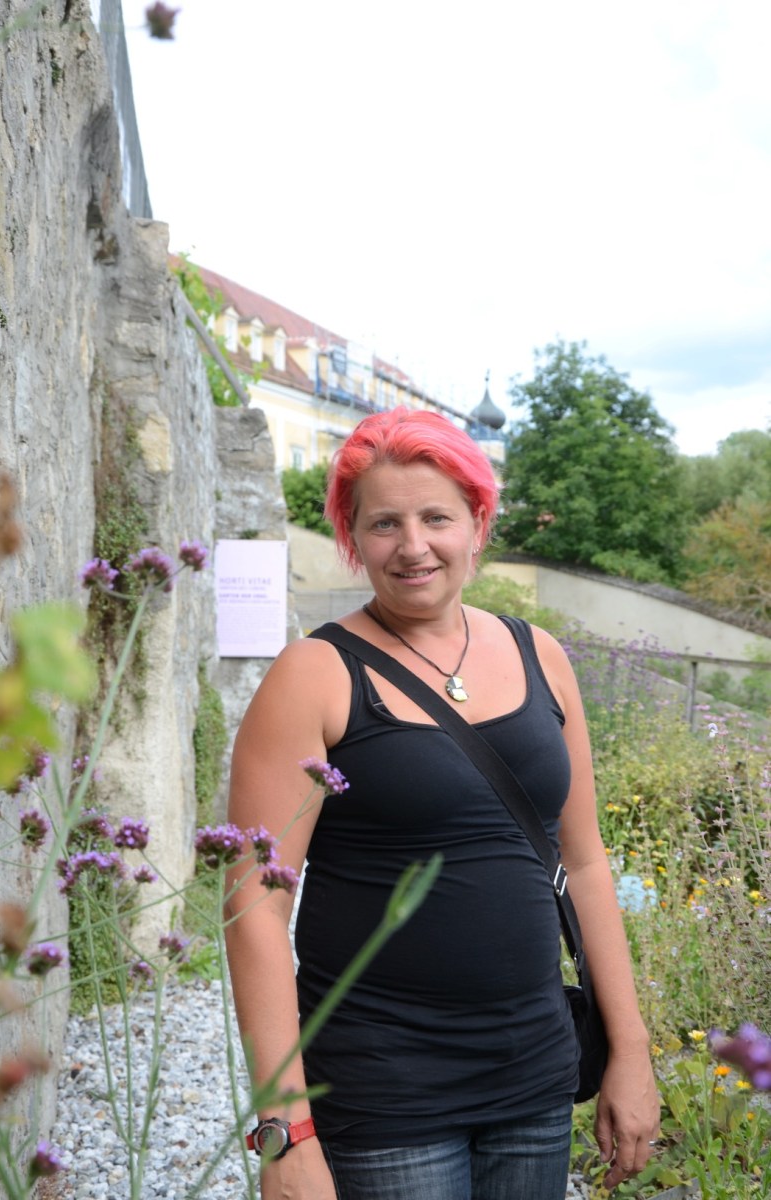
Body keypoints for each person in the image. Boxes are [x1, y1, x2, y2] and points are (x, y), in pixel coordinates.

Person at [224, 406, 659, 1200]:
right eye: (383, 523)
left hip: (533, 1071)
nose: (412, 546)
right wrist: (284, 1130)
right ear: (353, 538)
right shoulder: (313, 675)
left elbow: (585, 862)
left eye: (436, 518)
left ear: (478, 526)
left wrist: (629, 1051)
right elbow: (255, 903)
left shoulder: (540, 657)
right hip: (382, 1086)